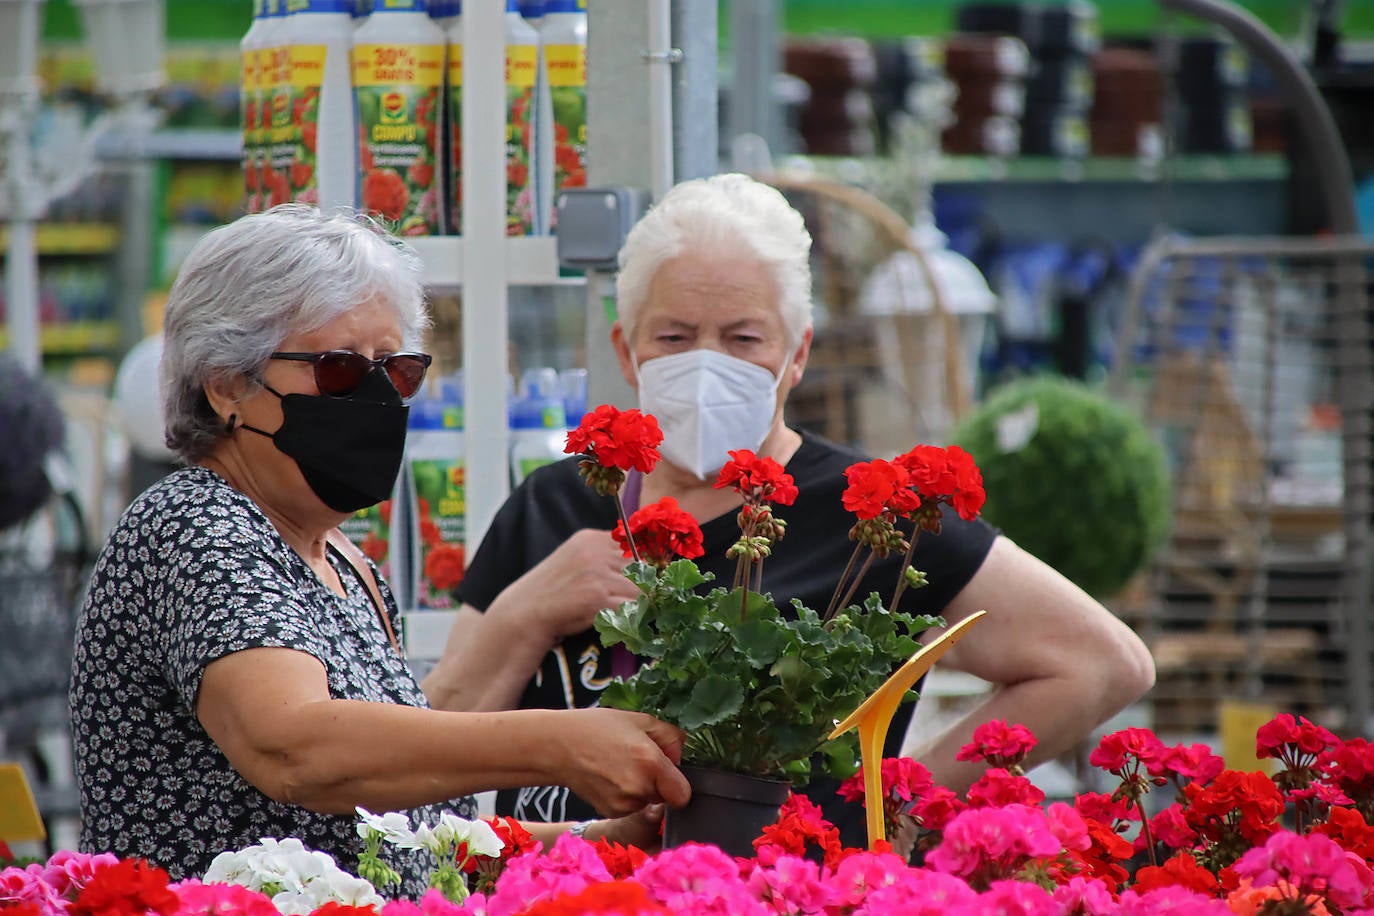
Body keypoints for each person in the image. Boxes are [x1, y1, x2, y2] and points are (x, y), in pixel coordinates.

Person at [426, 173, 1157, 842]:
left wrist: (896, 803)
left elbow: (1102, 663)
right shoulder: (558, 503)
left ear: (797, 354)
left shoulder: (869, 517)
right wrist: (530, 610)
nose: (707, 362)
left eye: (743, 338)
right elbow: (426, 744)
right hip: (558, 893)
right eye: (674, 337)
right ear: (627, 349)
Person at [68, 205, 690, 896]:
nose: (372, 395)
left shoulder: (343, 561)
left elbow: (410, 835)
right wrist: (559, 747)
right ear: (225, 385)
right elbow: (298, 749)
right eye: (337, 370)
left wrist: (603, 842)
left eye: (394, 370)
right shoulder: (194, 526)